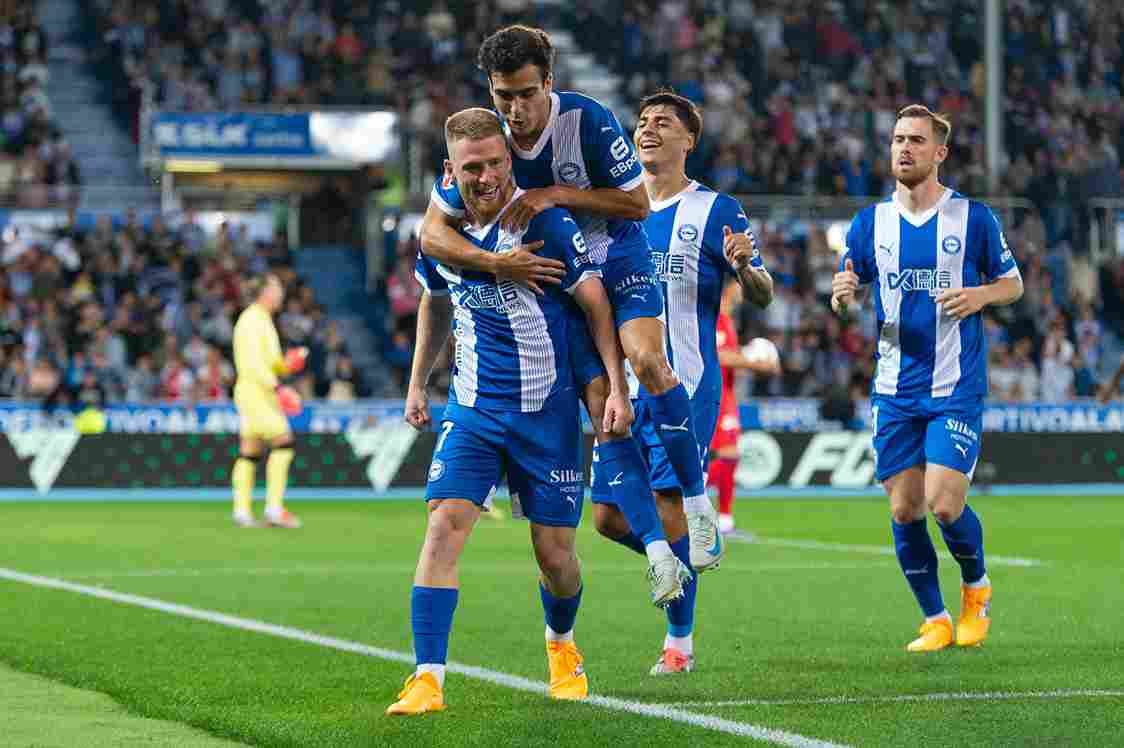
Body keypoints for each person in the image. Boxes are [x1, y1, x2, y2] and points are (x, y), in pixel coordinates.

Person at [421, 25, 723, 575]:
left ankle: (700, 504)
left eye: (526, 93)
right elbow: (431, 235)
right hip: (560, 282)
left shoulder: (585, 119)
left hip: (618, 260)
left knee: (650, 362)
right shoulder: (485, 142)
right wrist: (496, 262)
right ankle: (658, 553)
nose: (515, 109)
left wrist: (554, 193)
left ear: (548, 83)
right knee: (609, 418)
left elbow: (637, 206)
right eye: (503, 95)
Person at [387, 108, 632, 716]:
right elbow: (435, 300)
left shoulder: (544, 222)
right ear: (451, 171)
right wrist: (418, 382)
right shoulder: (442, 225)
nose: (488, 176)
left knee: (557, 560)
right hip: (472, 408)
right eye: (473, 167)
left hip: (545, 415)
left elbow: (596, 305)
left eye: (497, 162)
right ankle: (426, 678)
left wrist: (617, 388)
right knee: (444, 525)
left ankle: (562, 644)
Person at [591, 92, 775, 675]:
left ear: (688, 140)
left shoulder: (716, 210)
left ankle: (680, 644)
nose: (648, 130)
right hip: (621, 386)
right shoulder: (613, 209)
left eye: (663, 124)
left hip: (685, 385)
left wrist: (748, 268)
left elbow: (764, 293)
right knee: (608, 518)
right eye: (642, 123)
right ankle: (674, 556)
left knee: (671, 505)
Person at [830, 105, 1023, 652]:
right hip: (893, 388)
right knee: (903, 508)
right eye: (897, 139)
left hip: (954, 385)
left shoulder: (974, 219)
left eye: (916, 140)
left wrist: (981, 294)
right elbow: (848, 282)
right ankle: (935, 619)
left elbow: (1013, 284)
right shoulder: (871, 222)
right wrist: (842, 295)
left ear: (940, 152)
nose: (904, 148)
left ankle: (976, 587)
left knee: (943, 503)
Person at [230, 273, 308, 529]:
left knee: (249, 452)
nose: (281, 293)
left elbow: (269, 363)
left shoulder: (261, 319)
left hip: (254, 390)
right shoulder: (253, 320)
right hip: (257, 392)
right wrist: (279, 388)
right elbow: (253, 365)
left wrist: (288, 363)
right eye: (276, 288)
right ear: (265, 292)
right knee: (283, 442)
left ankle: (241, 511)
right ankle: (274, 508)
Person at [710, 278, 782, 536]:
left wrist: (746, 354)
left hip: (726, 395)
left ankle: (724, 519)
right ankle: (677, 496)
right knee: (727, 456)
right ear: (728, 287)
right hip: (716, 395)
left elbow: (726, 352)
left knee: (728, 456)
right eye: (739, 285)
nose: (744, 290)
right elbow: (714, 354)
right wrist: (754, 363)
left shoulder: (727, 320)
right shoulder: (716, 316)